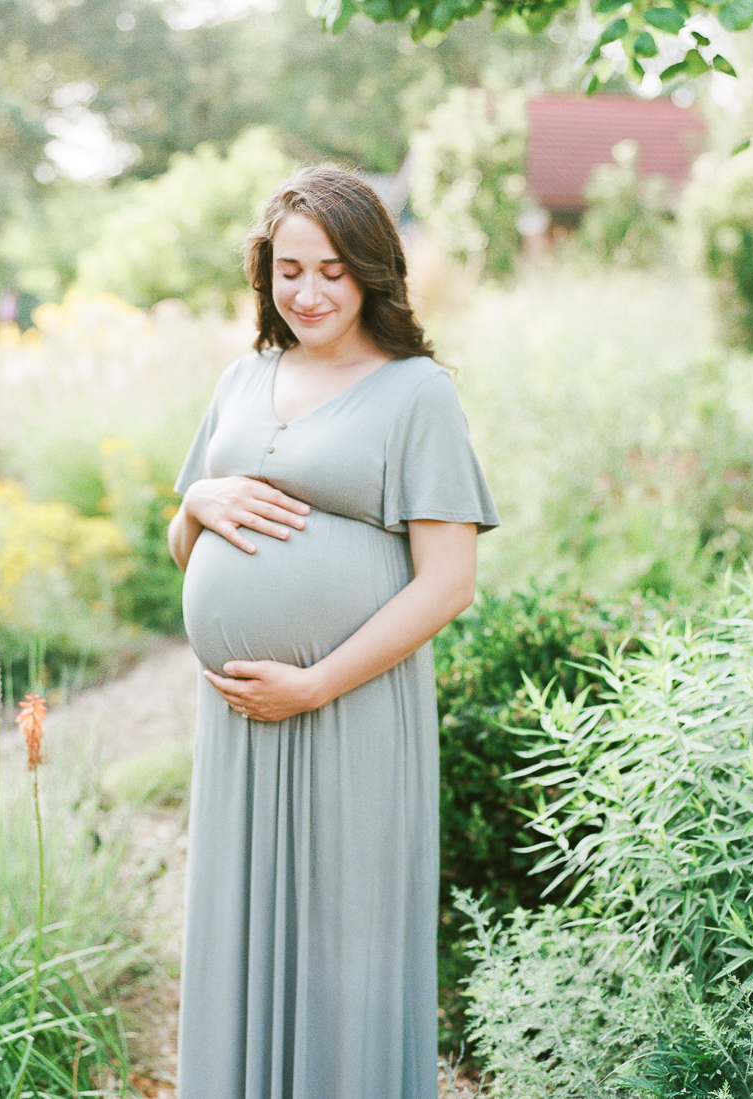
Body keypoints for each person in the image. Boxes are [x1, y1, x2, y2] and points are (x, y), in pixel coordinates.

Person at [167, 165, 499, 1099]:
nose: (307, 292)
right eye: (287, 270)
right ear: (263, 275)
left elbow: (449, 582)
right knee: (241, 928)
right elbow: (182, 546)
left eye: (332, 271)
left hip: (350, 711)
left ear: (372, 274)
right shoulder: (242, 379)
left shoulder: (414, 392)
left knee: (344, 943)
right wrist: (196, 499)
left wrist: (314, 684)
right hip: (237, 722)